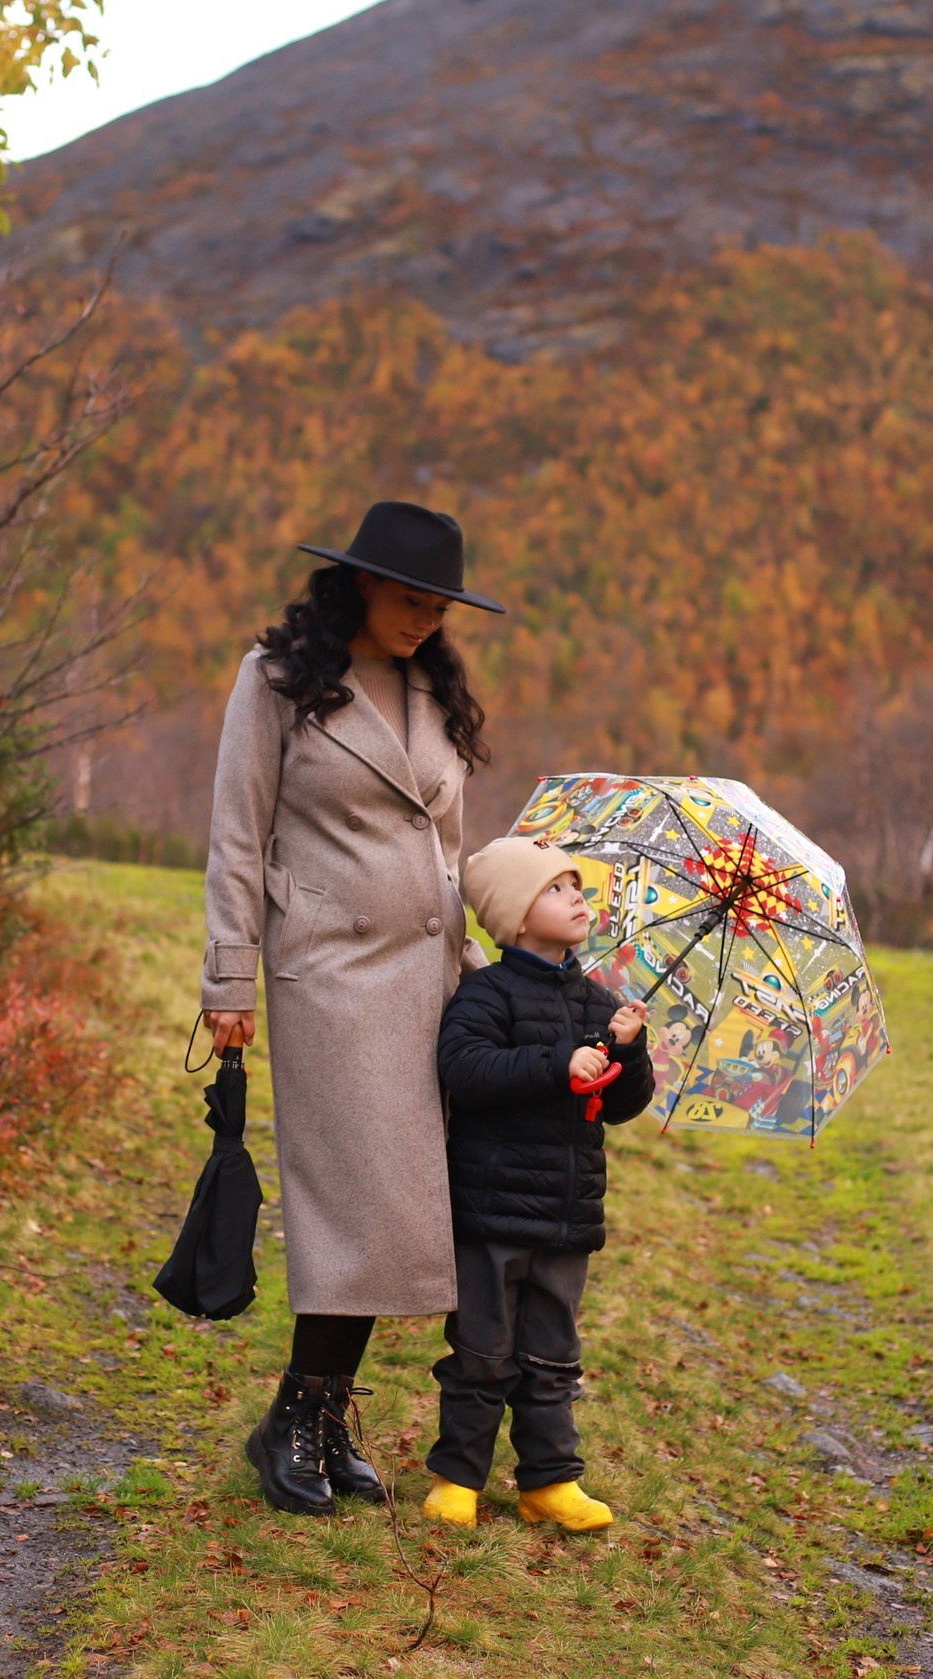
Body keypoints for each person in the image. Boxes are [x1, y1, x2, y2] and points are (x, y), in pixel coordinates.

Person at [199, 500, 504, 1517]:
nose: (426, 620)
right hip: (327, 974)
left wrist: (488, 960)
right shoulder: (277, 679)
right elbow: (236, 834)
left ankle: (321, 1413)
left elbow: (446, 850)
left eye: (439, 608)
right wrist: (228, 979)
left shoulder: (433, 689)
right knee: (354, 1200)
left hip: (429, 981)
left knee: (396, 1207)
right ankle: (295, 1415)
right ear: (360, 582)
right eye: (412, 599)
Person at [421, 836, 655, 1533]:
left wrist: (628, 1049)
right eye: (557, 889)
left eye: (576, 886)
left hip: (565, 1214)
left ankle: (549, 1481)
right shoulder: (485, 993)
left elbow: (620, 1105)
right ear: (517, 916)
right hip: (491, 1212)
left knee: (553, 1356)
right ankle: (457, 1477)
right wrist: (558, 1062)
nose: (578, 898)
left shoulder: (597, 1001)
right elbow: (466, 1069)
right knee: (481, 1352)